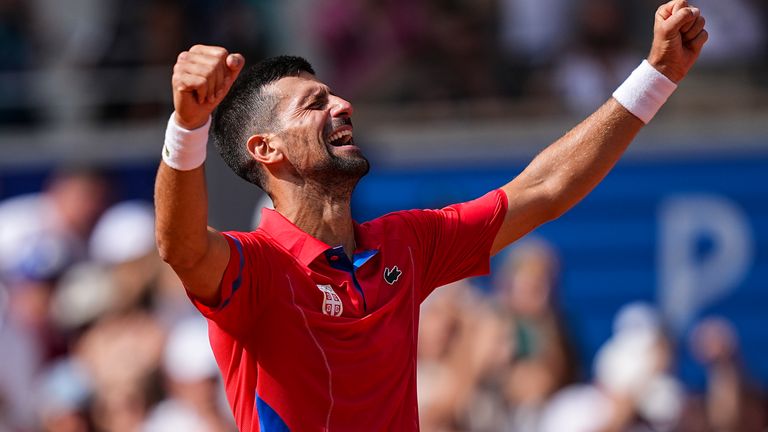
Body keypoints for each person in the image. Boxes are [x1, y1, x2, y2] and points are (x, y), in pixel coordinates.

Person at [154, 1, 707, 430]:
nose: (343, 105)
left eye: (335, 96)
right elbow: (181, 248)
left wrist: (657, 75)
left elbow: (546, 187)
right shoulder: (256, 267)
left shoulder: (406, 244)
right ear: (266, 149)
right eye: (314, 104)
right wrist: (187, 126)